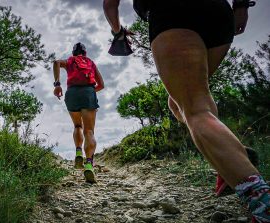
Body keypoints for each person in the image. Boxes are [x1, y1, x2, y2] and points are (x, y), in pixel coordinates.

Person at [103, 0, 270, 222]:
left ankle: (261, 201)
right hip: (217, 14)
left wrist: (118, 32)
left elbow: (109, 3)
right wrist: (241, 6)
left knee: (195, 109)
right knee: (181, 102)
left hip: (173, 12)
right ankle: (230, 158)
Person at [53, 42, 105, 183]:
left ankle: (78, 152)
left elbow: (56, 62)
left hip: (72, 93)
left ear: (74, 52)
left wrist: (57, 84)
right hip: (88, 92)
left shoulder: (70, 60)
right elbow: (101, 85)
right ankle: (88, 164)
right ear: (85, 52)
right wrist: (88, 92)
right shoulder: (90, 63)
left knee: (77, 126)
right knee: (89, 131)